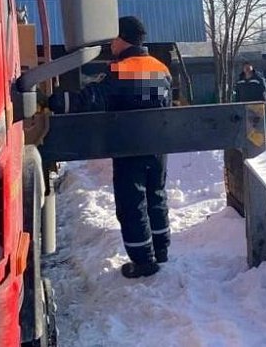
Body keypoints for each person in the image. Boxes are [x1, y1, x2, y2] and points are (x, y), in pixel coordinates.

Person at [49, 16, 173, 278]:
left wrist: (55, 102)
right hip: (158, 146)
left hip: (129, 147)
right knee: (156, 195)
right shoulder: (161, 68)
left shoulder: (122, 69)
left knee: (132, 203)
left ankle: (143, 261)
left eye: (112, 38)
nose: (110, 44)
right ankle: (161, 250)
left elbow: (91, 98)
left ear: (122, 39)